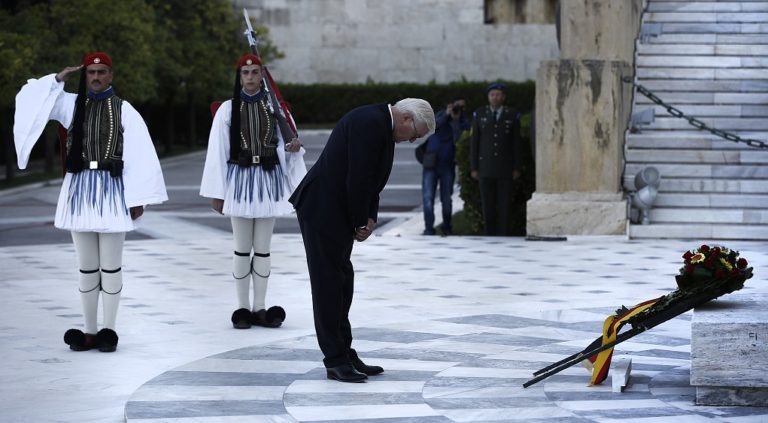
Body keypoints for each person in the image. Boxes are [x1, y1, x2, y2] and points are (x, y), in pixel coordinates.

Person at [13, 52, 168, 352]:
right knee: (86, 267)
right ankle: (89, 330)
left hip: (112, 190)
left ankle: (109, 330)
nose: (96, 77)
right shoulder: (71, 104)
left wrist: (138, 199)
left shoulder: (124, 110)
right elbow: (31, 98)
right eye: (91, 72)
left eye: (102, 72)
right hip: (79, 189)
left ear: (111, 75)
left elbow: (140, 153)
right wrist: (58, 79)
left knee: (110, 267)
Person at [289, 98, 435, 382]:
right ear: (406, 119)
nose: (412, 140)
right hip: (322, 209)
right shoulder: (370, 123)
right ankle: (334, 359)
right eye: (415, 134)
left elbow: (372, 180)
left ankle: (345, 352)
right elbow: (357, 179)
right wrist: (360, 221)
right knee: (328, 285)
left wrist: (370, 217)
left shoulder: (382, 125)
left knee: (342, 281)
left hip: (336, 211)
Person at [200, 54, 306, 330]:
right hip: (240, 181)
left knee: (263, 249)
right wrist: (217, 191)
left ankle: (260, 306)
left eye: (254, 72)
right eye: (245, 72)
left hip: (268, 181)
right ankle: (241, 307)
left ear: (262, 75)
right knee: (241, 248)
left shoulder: (276, 108)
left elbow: (288, 141)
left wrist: (293, 148)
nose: (249, 77)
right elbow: (218, 151)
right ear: (239, 76)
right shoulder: (227, 109)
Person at [470, 82, 522, 236]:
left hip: (505, 168)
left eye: (498, 94)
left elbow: (516, 143)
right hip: (485, 167)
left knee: (504, 204)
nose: (495, 97)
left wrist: (517, 167)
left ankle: (504, 234)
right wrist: (474, 167)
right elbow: (475, 143)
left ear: (503, 97)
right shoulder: (479, 114)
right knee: (488, 205)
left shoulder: (512, 115)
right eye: (492, 94)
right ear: (488, 97)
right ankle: (490, 235)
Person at [421, 97, 470, 235]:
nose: (457, 109)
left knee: (446, 198)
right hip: (431, 163)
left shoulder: (463, 121)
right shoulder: (441, 115)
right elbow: (432, 127)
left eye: (461, 107)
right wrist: (447, 115)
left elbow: (459, 137)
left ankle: (447, 226)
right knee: (428, 197)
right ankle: (429, 228)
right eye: (456, 106)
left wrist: (455, 120)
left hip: (448, 165)